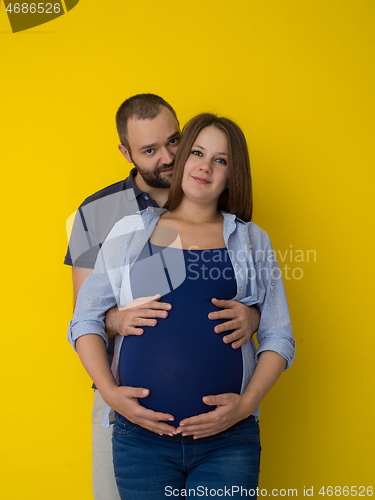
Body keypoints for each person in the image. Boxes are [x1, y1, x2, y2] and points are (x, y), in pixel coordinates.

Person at [68, 113, 295, 499]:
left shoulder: (251, 240)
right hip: (141, 441)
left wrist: (245, 406)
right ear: (183, 158)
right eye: (198, 153)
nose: (205, 167)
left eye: (220, 160)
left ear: (232, 173)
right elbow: (84, 319)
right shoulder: (129, 230)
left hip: (228, 442)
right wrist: (109, 392)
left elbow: (279, 335)